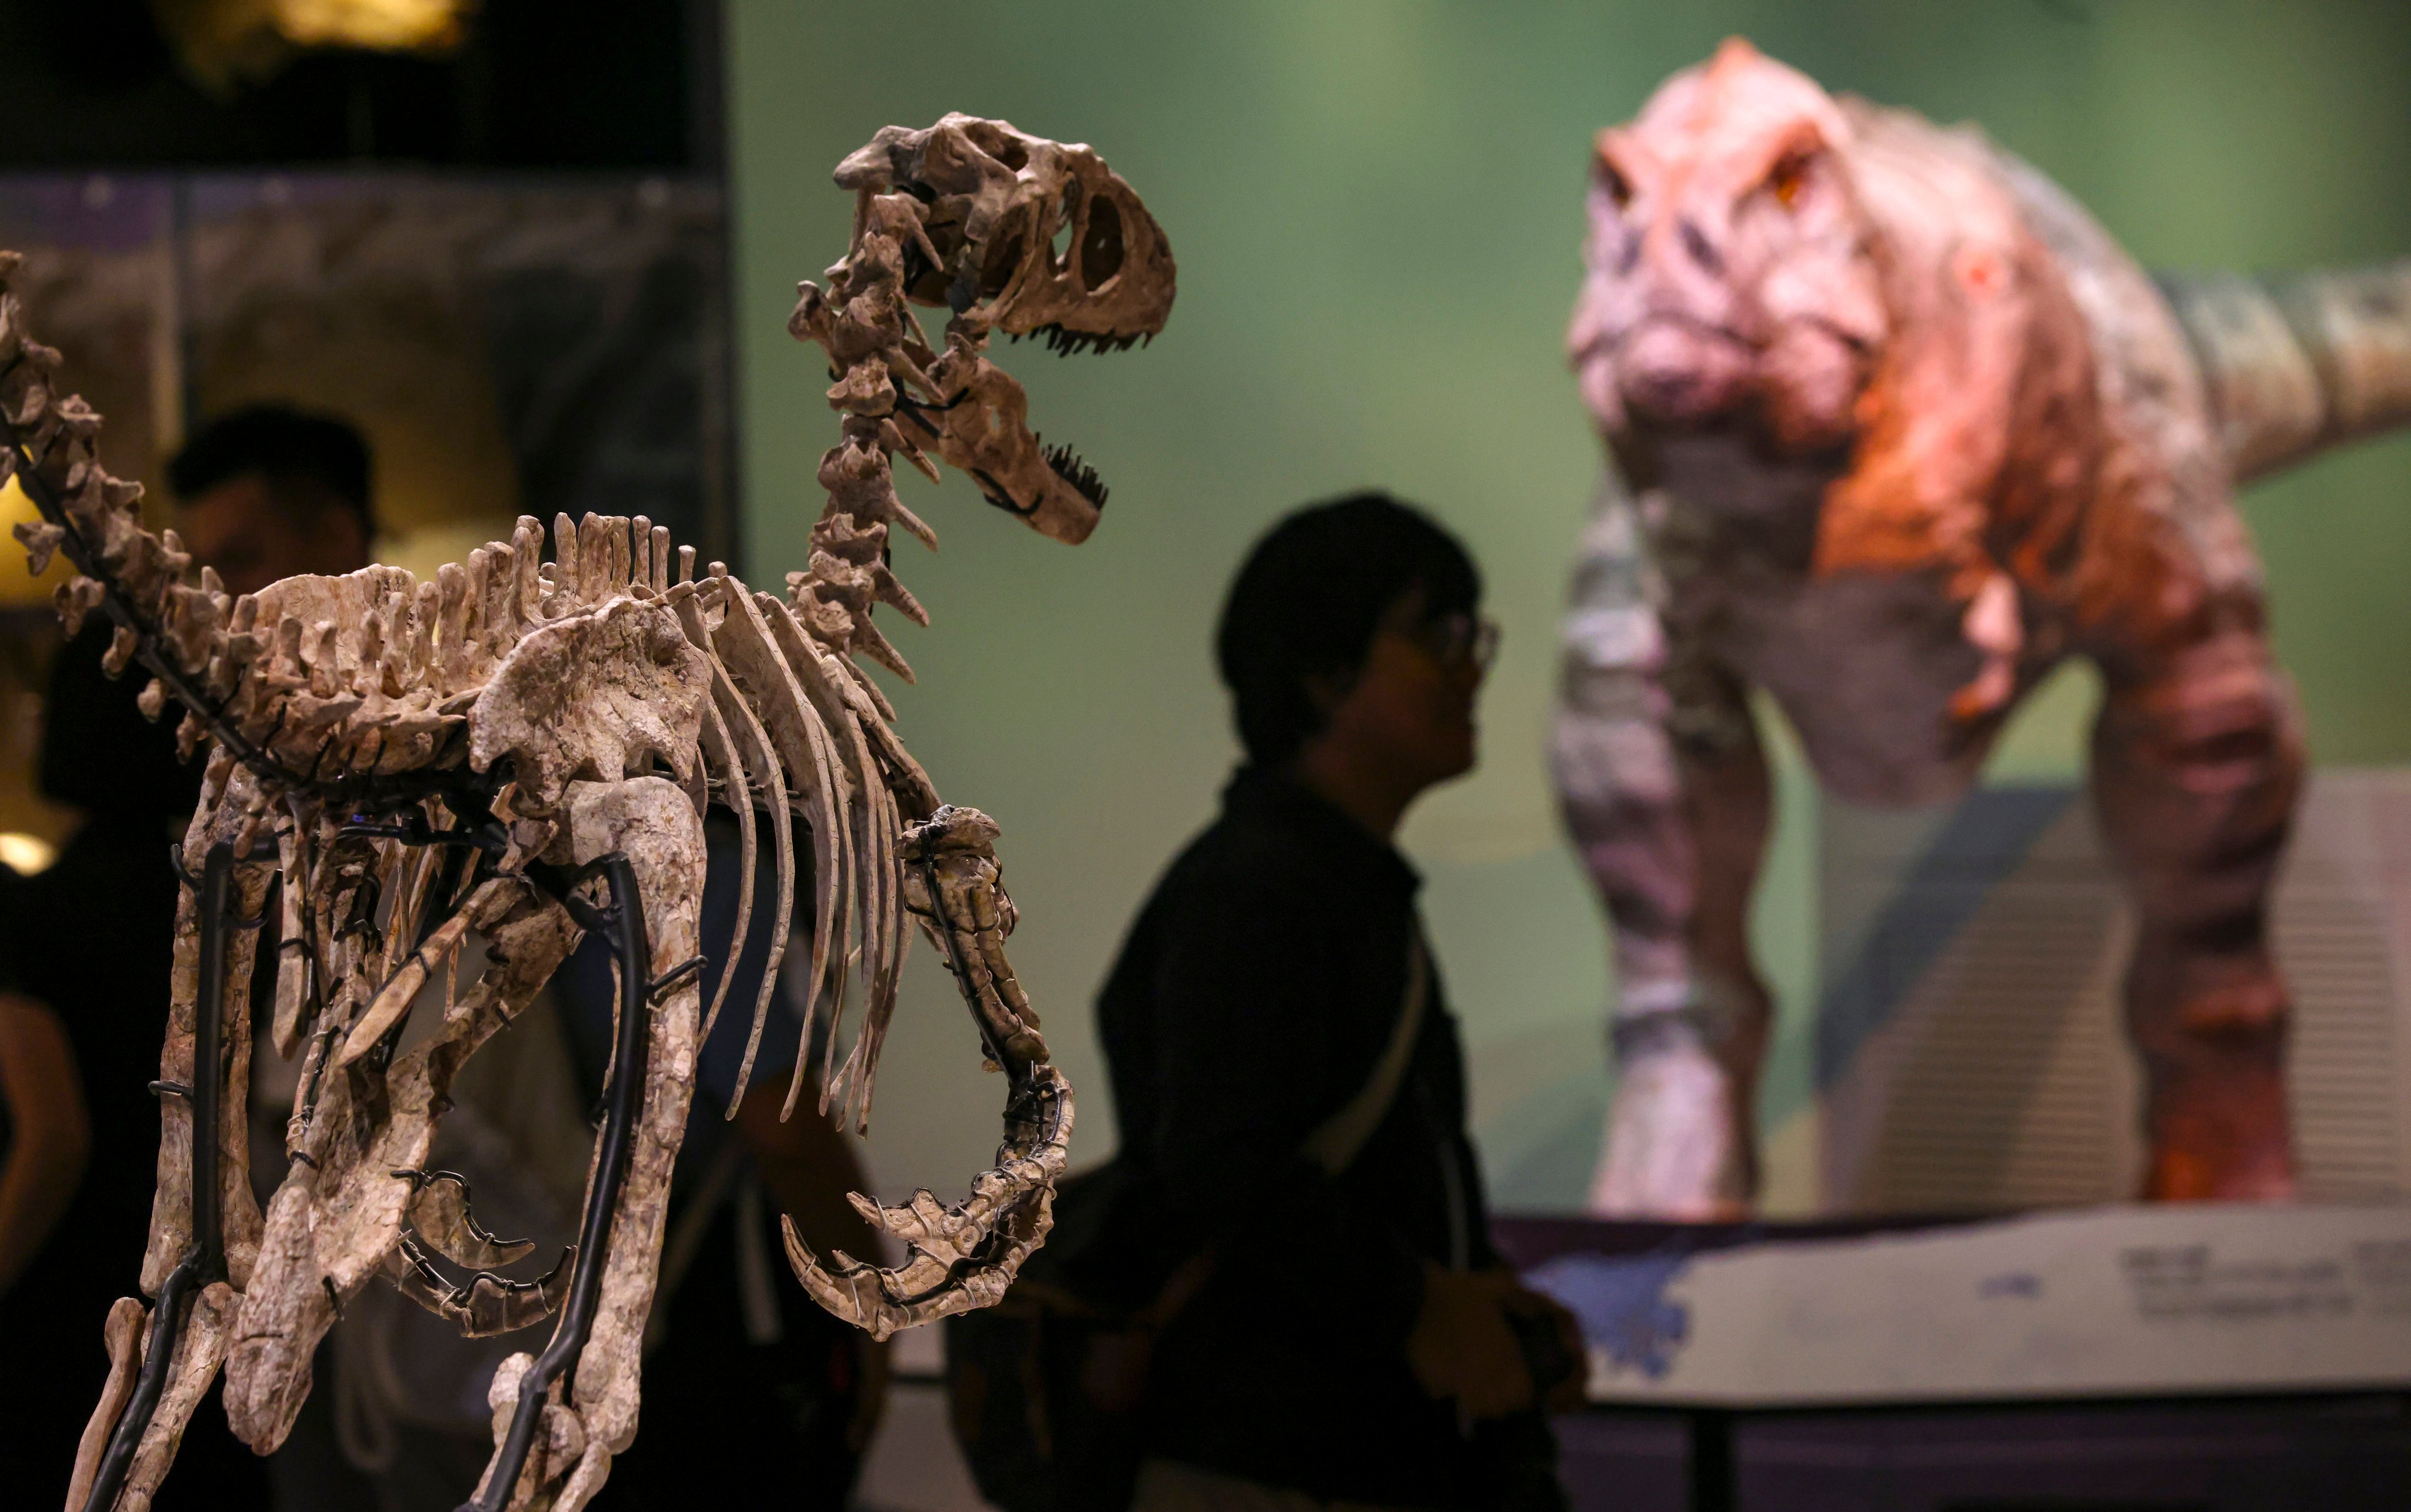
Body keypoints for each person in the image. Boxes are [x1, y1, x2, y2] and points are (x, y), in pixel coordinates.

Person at [1095, 492, 1581, 1512]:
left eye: (1470, 633)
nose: (1469, 666)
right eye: (1432, 633)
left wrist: (1475, 1296)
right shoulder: (1258, 891)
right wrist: (1418, 1301)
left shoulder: (1331, 882)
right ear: (1321, 675)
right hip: (1271, 1464)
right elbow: (1220, 1166)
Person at [0, 403, 373, 1505]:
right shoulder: (241, 907)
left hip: (79, 1324)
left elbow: (50, 1130)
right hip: (221, 1322)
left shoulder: (41, 912)